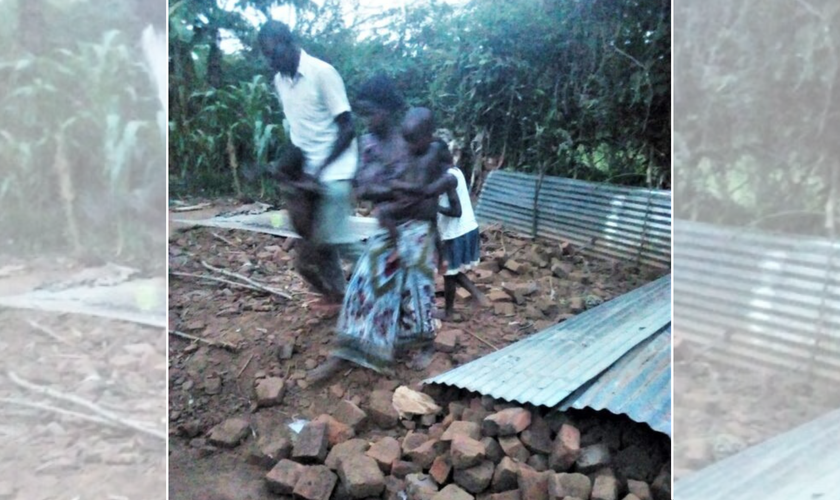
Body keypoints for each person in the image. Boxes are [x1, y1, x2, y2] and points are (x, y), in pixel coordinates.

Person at [309, 76, 441, 380]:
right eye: (363, 113)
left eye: (372, 112)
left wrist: (396, 191)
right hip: (387, 221)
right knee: (365, 283)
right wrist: (399, 190)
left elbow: (424, 188)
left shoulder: (411, 139)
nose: (367, 120)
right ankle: (348, 350)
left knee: (417, 287)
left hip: (418, 224)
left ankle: (424, 344)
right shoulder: (367, 142)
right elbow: (365, 188)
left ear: (389, 109)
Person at [257, 20, 362, 315]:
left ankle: (385, 277)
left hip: (336, 171)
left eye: (274, 52)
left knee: (336, 239)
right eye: (266, 56)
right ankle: (342, 300)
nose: (271, 61)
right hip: (308, 174)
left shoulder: (322, 73)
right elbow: (299, 133)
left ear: (289, 44)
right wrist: (284, 169)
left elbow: (347, 128)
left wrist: (320, 170)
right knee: (318, 246)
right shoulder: (280, 81)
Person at [395, 108, 490, 319]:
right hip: (464, 229)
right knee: (452, 270)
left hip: (456, 232)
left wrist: (432, 206)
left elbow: (455, 210)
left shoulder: (447, 178)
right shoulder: (454, 172)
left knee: (448, 273)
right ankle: (478, 295)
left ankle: (448, 312)